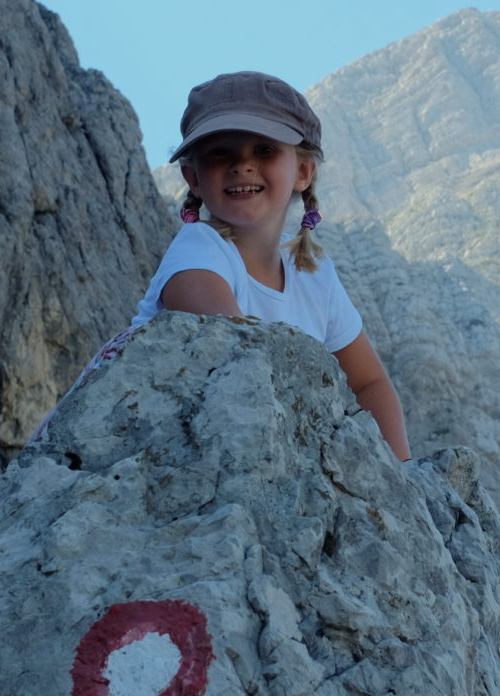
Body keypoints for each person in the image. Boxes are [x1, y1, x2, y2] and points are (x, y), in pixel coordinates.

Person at [129, 70, 410, 461]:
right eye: (220, 153)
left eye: (264, 150)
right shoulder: (199, 251)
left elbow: (371, 382)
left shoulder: (313, 273)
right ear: (192, 177)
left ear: (303, 172)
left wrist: (403, 480)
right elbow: (235, 350)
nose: (242, 165)